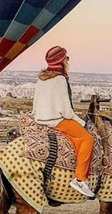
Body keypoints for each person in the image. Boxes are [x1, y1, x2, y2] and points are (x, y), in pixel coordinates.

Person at [32, 46, 95, 198]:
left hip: (40, 119)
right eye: (66, 58)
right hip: (56, 121)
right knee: (88, 139)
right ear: (62, 61)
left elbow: (35, 105)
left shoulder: (41, 79)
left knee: (75, 138)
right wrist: (82, 122)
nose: (68, 61)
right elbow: (66, 112)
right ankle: (80, 179)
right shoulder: (60, 79)